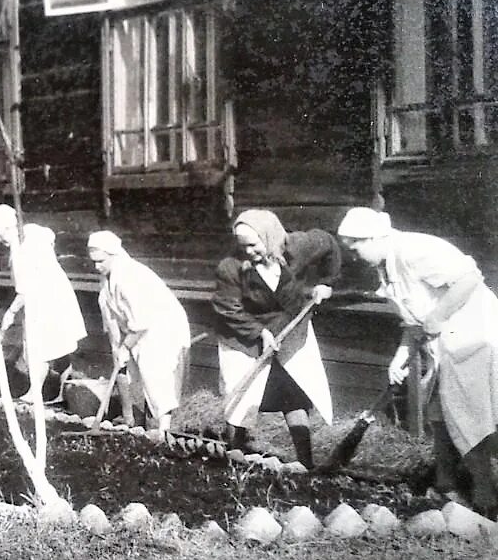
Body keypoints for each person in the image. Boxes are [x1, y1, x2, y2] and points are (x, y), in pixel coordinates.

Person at [338, 207, 498, 517]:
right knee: (438, 411)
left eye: (355, 247)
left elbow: (469, 278)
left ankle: (484, 490)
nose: (354, 255)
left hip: (473, 336)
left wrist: (438, 316)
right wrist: (400, 357)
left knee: (467, 412)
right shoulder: (385, 268)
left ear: (373, 238)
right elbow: (413, 322)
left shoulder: (414, 249)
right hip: (445, 343)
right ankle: (445, 480)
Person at [211, 209, 338, 469]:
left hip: (288, 328)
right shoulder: (230, 267)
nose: (247, 251)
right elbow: (229, 308)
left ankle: (305, 462)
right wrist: (260, 332)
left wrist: (325, 282)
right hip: (243, 334)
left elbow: (329, 244)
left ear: (270, 236)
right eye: (242, 245)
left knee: (294, 391)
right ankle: (234, 455)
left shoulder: (299, 247)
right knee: (242, 395)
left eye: (253, 244)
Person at [87, 230, 193, 434]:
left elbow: (142, 320)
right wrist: (119, 349)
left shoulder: (129, 276)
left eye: (100, 261)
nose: (96, 266)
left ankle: (164, 430)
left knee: (156, 373)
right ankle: (139, 423)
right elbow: (113, 319)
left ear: (114, 254)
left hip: (162, 327)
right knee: (137, 374)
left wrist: (125, 346)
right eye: (93, 261)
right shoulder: (108, 277)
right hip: (138, 329)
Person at [0, 204, 86, 404]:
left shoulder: (21, 250)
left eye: (1, 236)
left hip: (44, 300)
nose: (1, 242)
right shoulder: (33, 232)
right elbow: (50, 236)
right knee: (60, 344)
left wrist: (10, 312)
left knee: (38, 346)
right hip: (58, 293)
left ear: (9, 228)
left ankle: (35, 393)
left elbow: (25, 291)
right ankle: (63, 393)